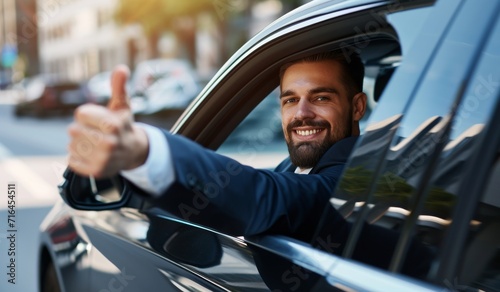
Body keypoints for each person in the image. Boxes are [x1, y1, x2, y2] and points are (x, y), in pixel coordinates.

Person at [67, 51, 432, 277]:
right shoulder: (293, 171)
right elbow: (252, 193)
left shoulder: (364, 176)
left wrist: (145, 151)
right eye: (290, 100)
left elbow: (269, 198)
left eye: (320, 97)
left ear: (356, 107)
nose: (302, 114)